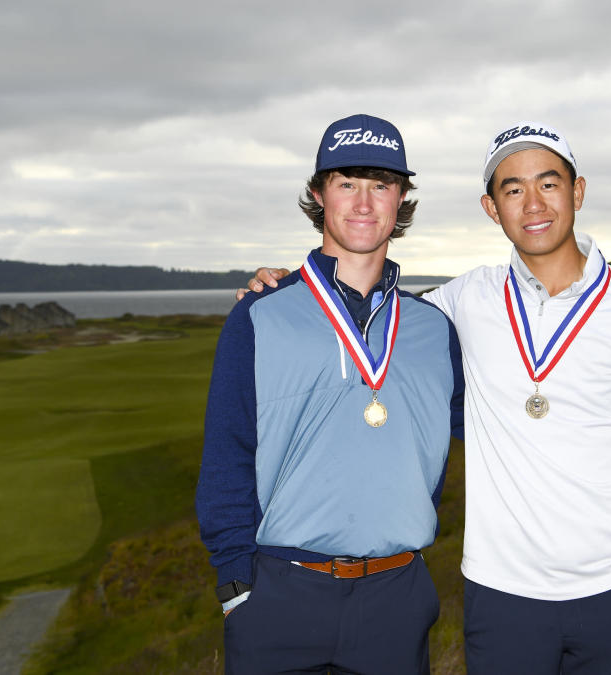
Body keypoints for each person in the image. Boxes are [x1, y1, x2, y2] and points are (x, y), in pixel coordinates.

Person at [244, 120, 611, 674]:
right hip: (500, 596)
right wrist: (285, 285)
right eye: (512, 189)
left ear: (577, 191)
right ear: (490, 207)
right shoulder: (462, 300)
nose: (533, 203)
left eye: (549, 184)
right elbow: (374, 313)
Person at [197, 113, 464, 675]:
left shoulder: (434, 328)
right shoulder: (261, 313)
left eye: (381, 185)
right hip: (279, 597)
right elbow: (227, 449)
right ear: (319, 194)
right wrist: (236, 584)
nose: (364, 203)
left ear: (401, 198)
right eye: (347, 183)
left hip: (396, 599)